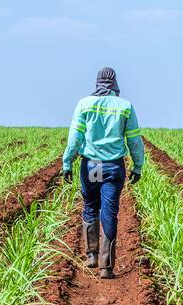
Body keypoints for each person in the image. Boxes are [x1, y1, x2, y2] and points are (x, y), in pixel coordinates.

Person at [61, 67, 144, 279]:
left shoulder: (84, 104)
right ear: (114, 83)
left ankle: (91, 255)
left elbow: (75, 138)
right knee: (109, 212)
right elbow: (134, 140)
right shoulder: (125, 107)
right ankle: (106, 267)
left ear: (97, 82)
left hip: (92, 165)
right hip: (113, 168)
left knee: (90, 206)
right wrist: (138, 166)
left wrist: (67, 162)